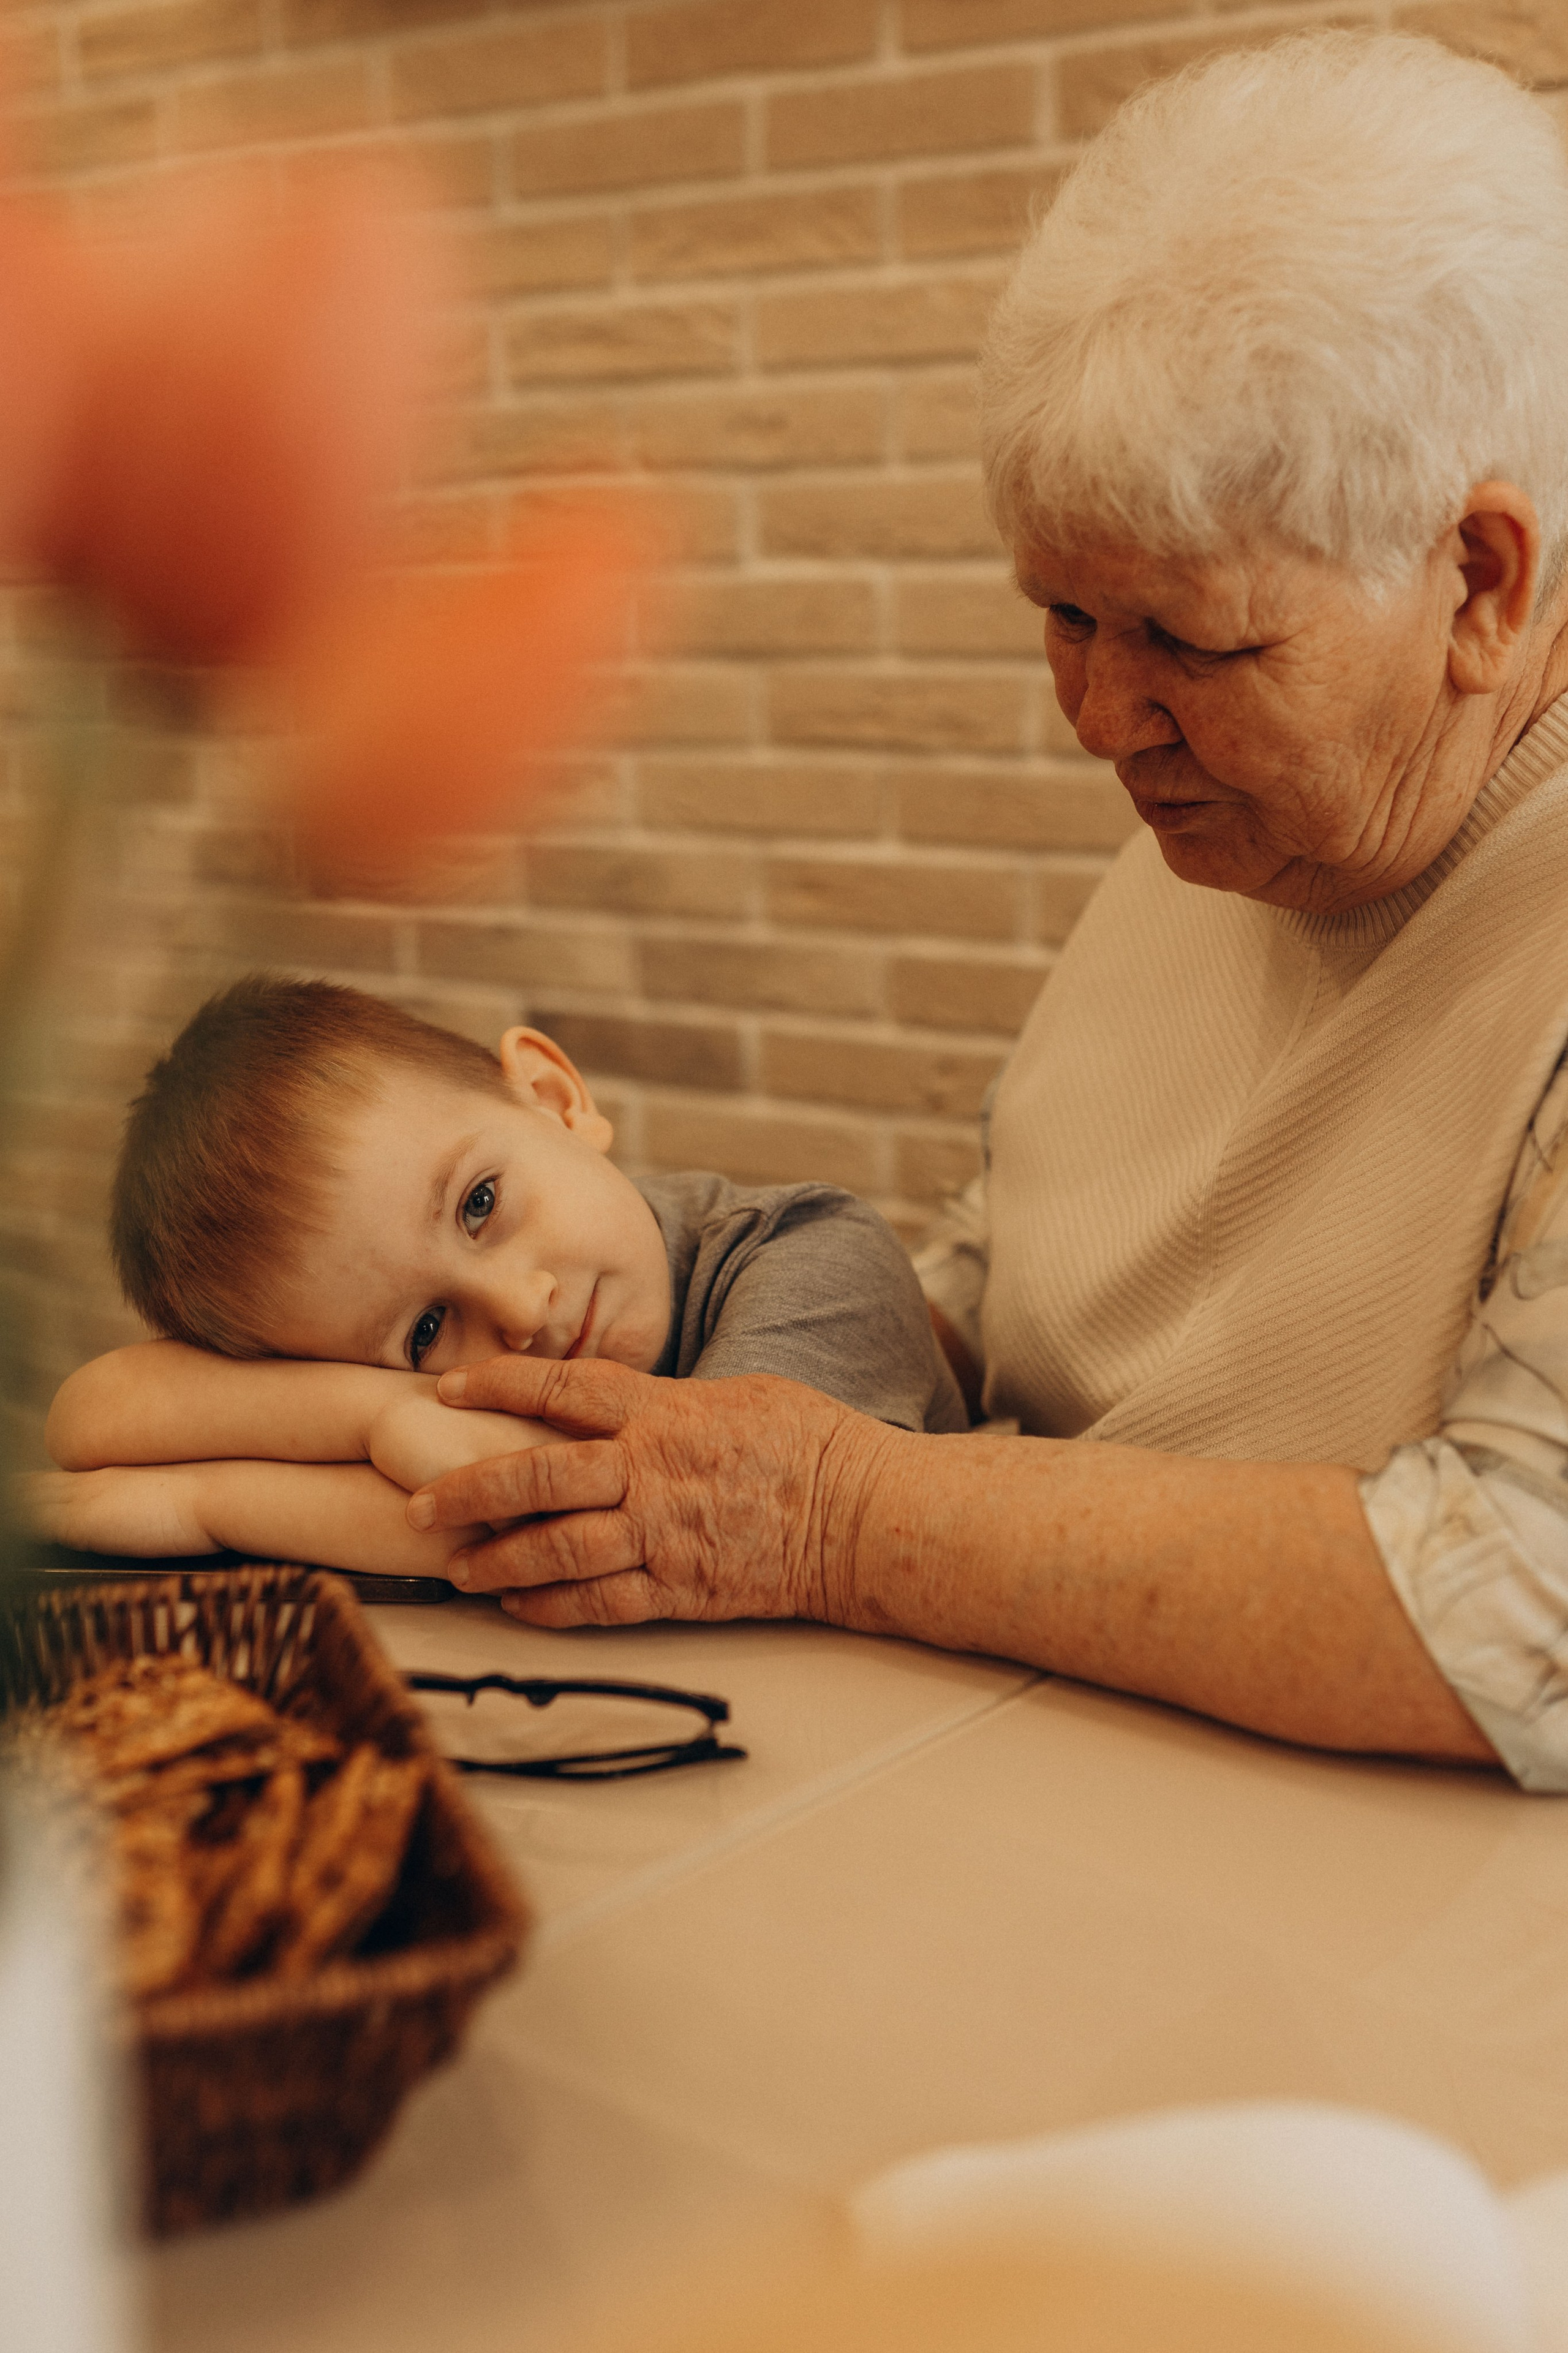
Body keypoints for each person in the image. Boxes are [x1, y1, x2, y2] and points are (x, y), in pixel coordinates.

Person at [387, 31, 1568, 1793]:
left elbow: (1522, 1617)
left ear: (1476, 581)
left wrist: (835, 1511)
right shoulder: (1243, 815)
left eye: (1184, 639)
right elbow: (1018, 1278)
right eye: (1065, 617)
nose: (1098, 717)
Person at [32, 978, 964, 1586]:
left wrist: (208, 1502)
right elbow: (96, 1412)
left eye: (480, 1204)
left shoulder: (820, 1255)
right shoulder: (451, 1376)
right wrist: (384, 1409)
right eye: (426, 1332)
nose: (522, 1310)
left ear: (554, 1099)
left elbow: (650, 1524)